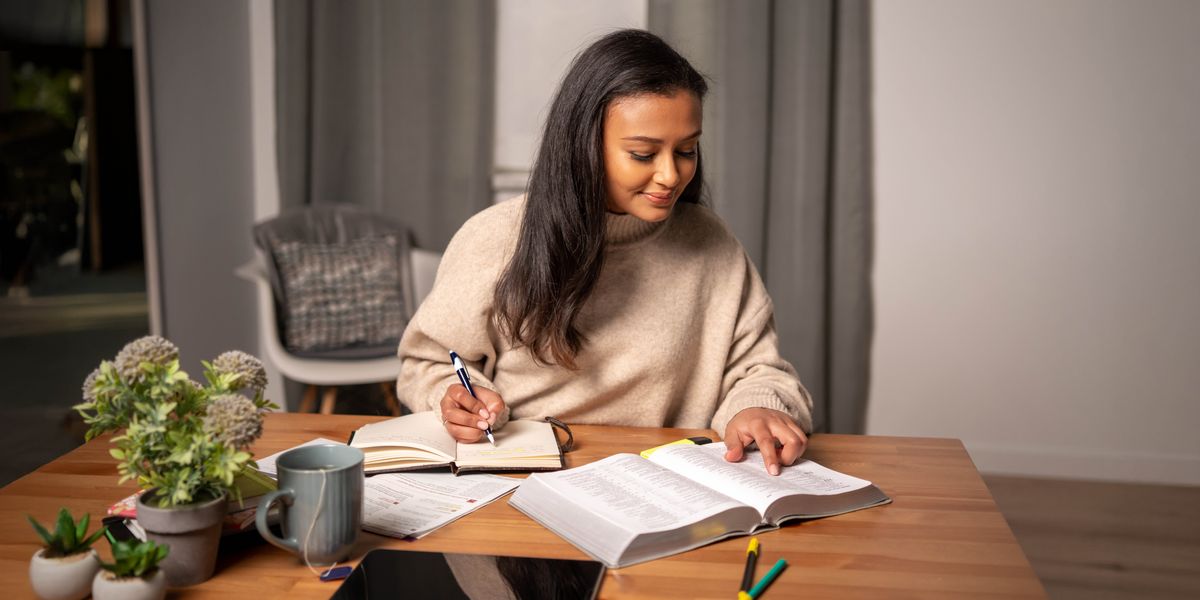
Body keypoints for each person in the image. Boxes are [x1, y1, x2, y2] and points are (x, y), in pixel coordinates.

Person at [397, 29, 812, 475]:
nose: (671, 175)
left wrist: (755, 408)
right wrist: (457, 399)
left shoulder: (711, 243)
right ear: (584, 147)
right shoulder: (495, 239)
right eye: (642, 153)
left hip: (666, 487)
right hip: (521, 483)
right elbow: (429, 361)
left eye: (687, 150)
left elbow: (759, 369)